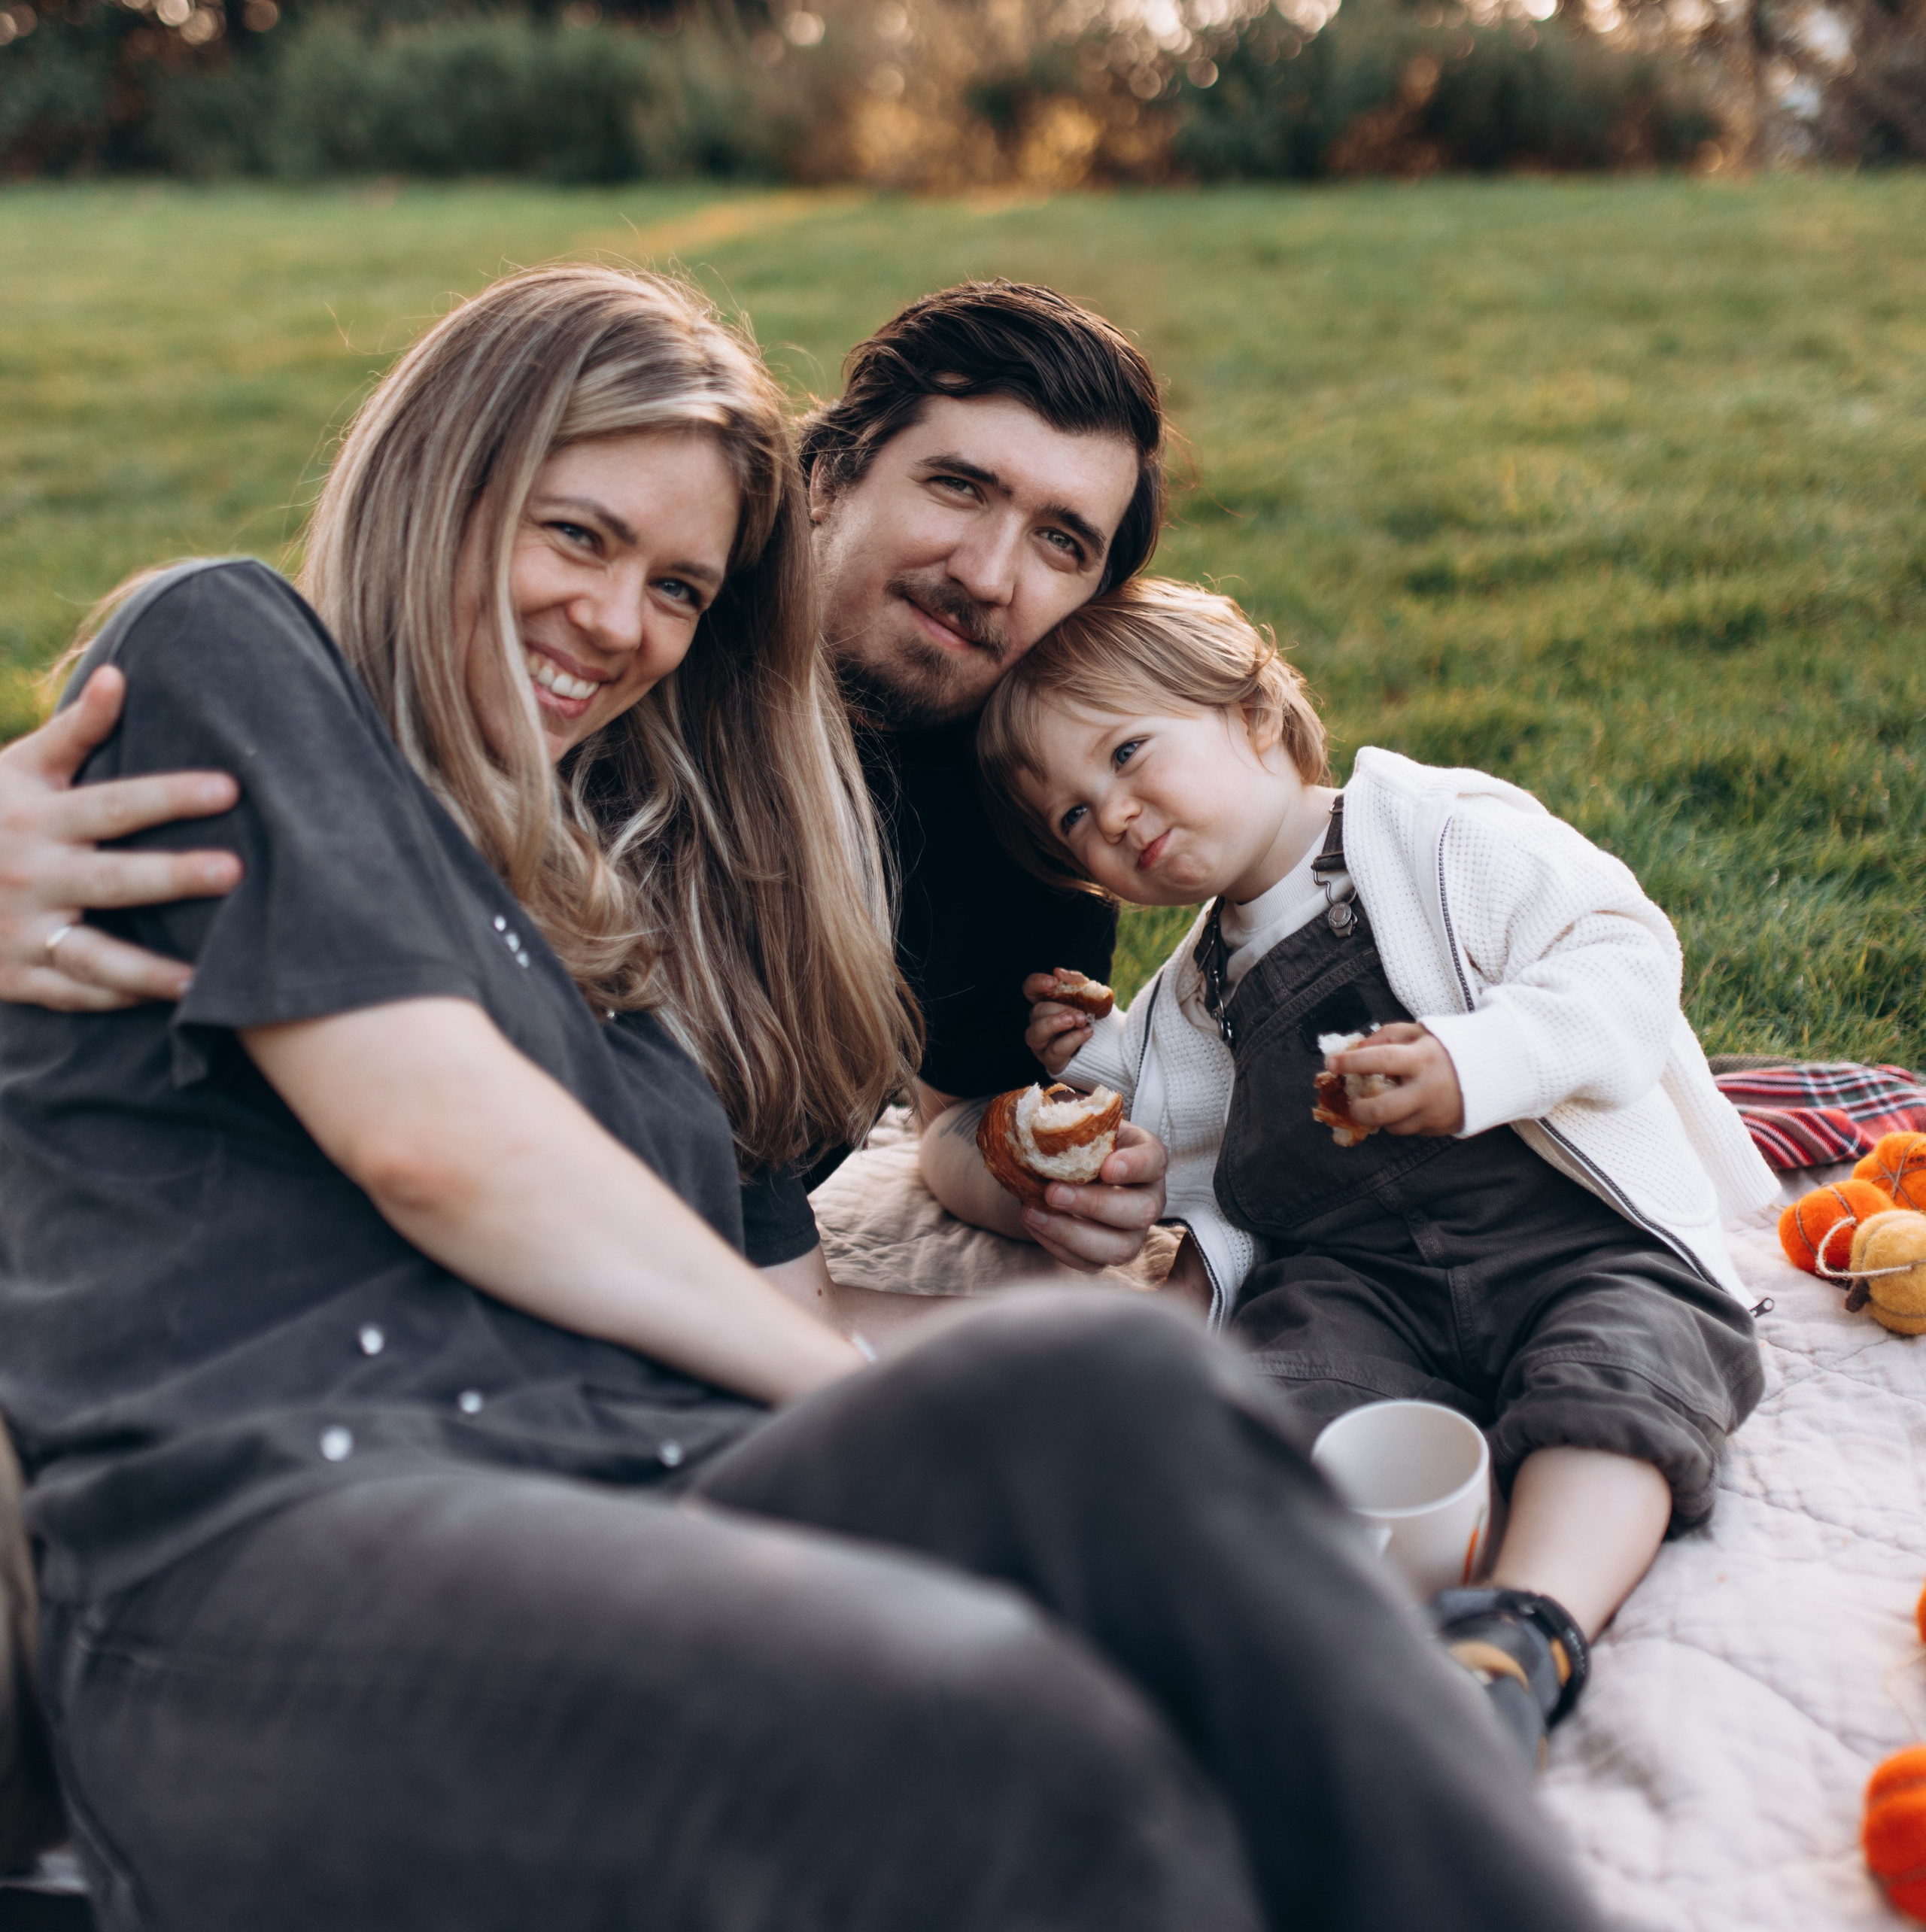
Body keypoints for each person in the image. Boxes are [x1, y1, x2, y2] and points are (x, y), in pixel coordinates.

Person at [0, 266, 1618, 1932]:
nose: (622, 622)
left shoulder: (616, 929)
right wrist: (831, 1384)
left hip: (634, 1483)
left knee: (1107, 1375)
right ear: (441, 475)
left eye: (679, 588)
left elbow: (749, 1271)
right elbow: (436, 1145)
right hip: (277, 1556)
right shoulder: (235, 654)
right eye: (575, 536)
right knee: (995, 1719)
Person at [0, 280, 1169, 1282]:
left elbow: (954, 1107)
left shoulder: (1040, 825)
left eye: (1062, 540)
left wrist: (1031, 1180)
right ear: (830, 476)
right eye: (959, 487)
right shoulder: (597, 676)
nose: (986, 570)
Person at [975, 575, 1777, 1758]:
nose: (1115, 817)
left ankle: (1527, 1625)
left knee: (1626, 1373)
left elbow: (1619, 953)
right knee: (1269, 1397)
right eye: (1075, 822)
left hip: (1569, 1232)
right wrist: (1083, 1073)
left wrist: (1478, 1057)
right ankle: (1329, 1641)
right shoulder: (1200, 979)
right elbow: (1148, 1106)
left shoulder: (1440, 834)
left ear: (1254, 711)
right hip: (1361, 1279)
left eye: (1130, 753)